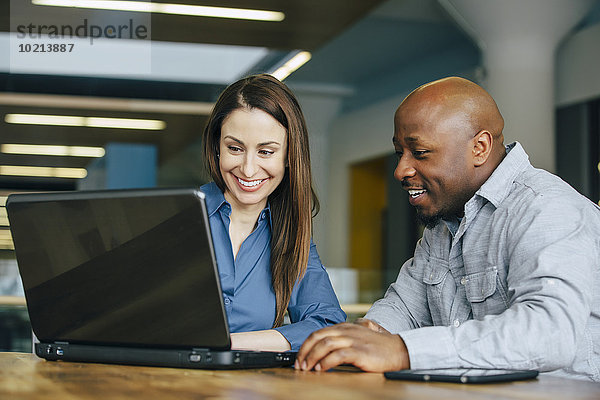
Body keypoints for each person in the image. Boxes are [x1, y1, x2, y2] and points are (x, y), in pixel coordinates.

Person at [295, 76, 600, 381]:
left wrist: (402, 351)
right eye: (399, 152)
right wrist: (364, 337)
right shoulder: (445, 224)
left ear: (479, 148)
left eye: (421, 152)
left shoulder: (547, 208)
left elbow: (548, 334)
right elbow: (405, 308)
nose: (401, 170)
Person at [201, 74, 346, 352]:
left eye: (266, 152)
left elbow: (327, 323)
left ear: (289, 156)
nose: (248, 168)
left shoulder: (291, 237)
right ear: (216, 148)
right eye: (234, 148)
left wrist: (228, 344)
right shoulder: (176, 220)